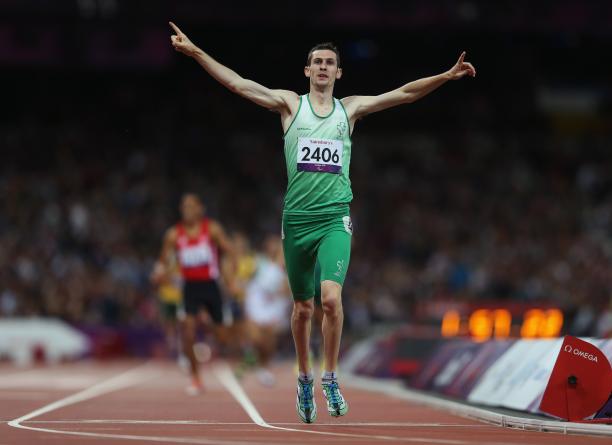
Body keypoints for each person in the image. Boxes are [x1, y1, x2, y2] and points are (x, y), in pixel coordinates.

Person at [168, 22, 476, 422]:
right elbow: (238, 84)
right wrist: (196, 52)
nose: (324, 67)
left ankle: (329, 376)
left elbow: (403, 94)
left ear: (339, 72)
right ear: (307, 71)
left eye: (331, 63)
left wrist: (446, 76)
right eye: (318, 62)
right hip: (297, 222)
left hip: (335, 217)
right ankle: (303, 377)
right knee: (302, 310)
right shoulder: (290, 106)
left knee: (331, 299)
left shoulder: (350, 109)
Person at [152, 193, 236, 395]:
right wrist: (159, 274)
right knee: (187, 333)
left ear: (200, 209)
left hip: (211, 286)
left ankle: (207, 322)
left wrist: (230, 278)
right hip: (189, 287)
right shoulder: (174, 234)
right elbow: (163, 263)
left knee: (223, 337)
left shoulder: (212, 229)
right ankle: (196, 378)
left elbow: (230, 252)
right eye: (184, 206)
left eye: (191, 206)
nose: (187, 210)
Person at [244, 235, 291, 387]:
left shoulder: (284, 265)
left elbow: (286, 287)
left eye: (276, 245)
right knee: (256, 338)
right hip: (256, 303)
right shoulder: (258, 261)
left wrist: (285, 292)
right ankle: (255, 359)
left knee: (268, 341)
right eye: (270, 245)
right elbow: (248, 278)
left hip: (273, 306)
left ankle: (264, 368)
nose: (273, 247)